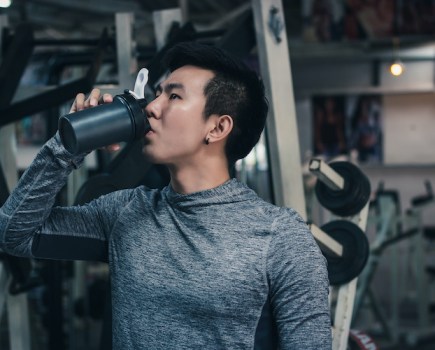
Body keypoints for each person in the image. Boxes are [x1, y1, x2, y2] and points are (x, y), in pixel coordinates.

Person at [0, 42, 332, 349]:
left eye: (173, 97)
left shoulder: (280, 238)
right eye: (157, 93)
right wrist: (67, 146)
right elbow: (14, 234)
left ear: (217, 128)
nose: (152, 108)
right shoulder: (125, 212)